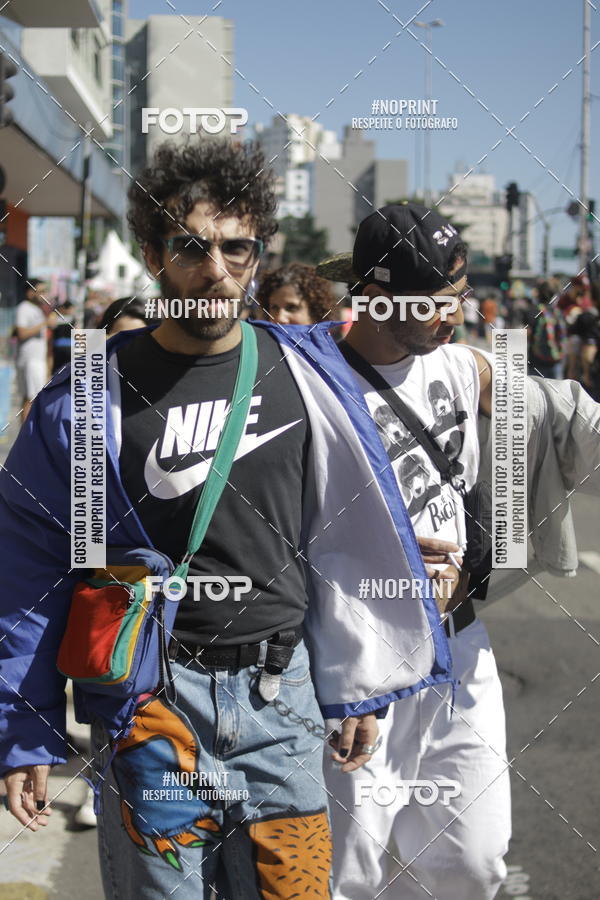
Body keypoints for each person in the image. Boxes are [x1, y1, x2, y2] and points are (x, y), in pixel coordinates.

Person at [0, 142, 458, 899]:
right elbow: (30, 568)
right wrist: (23, 732)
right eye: (191, 246)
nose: (216, 271)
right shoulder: (89, 400)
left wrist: (363, 679)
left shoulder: (311, 375)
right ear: (152, 253)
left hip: (285, 704)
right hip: (151, 715)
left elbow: (345, 526)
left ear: (257, 252)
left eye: (236, 247)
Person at [315, 202, 600, 900]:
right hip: (360, 667)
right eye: (440, 301)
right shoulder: (311, 386)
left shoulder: (459, 365)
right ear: (379, 299)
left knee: (472, 864)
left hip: (459, 648)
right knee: (349, 872)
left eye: (461, 296)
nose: (457, 314)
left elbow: (556, 407)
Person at [14, 279, 54, 422]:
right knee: (30, 399)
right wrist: (45, 323)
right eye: (41, 291)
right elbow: (22, 333)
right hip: (29, 360)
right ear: (30, 292)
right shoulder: (24, 308)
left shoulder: (38, 309)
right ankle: (26, 437)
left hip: (38, 359)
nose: (45, 295)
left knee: (35, 398)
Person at [257, 261, 338, 324]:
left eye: (292, 308)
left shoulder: (328, 345)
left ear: (315, 313)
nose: (280, 318)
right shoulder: (256, 343)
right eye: (274, 308)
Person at [527, 279, 567, 378]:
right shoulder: (558, 313)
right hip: (556, 360)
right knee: (556, 391)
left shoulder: (534, 311)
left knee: (536, 391)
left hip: (536, 361)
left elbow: (527, 333)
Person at [50, 300, 77, 374]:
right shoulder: (73, 319)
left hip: (58, 346)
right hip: (69, 347)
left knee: (57, 369)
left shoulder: (55, 318)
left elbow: (52, 327)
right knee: (69, 369)